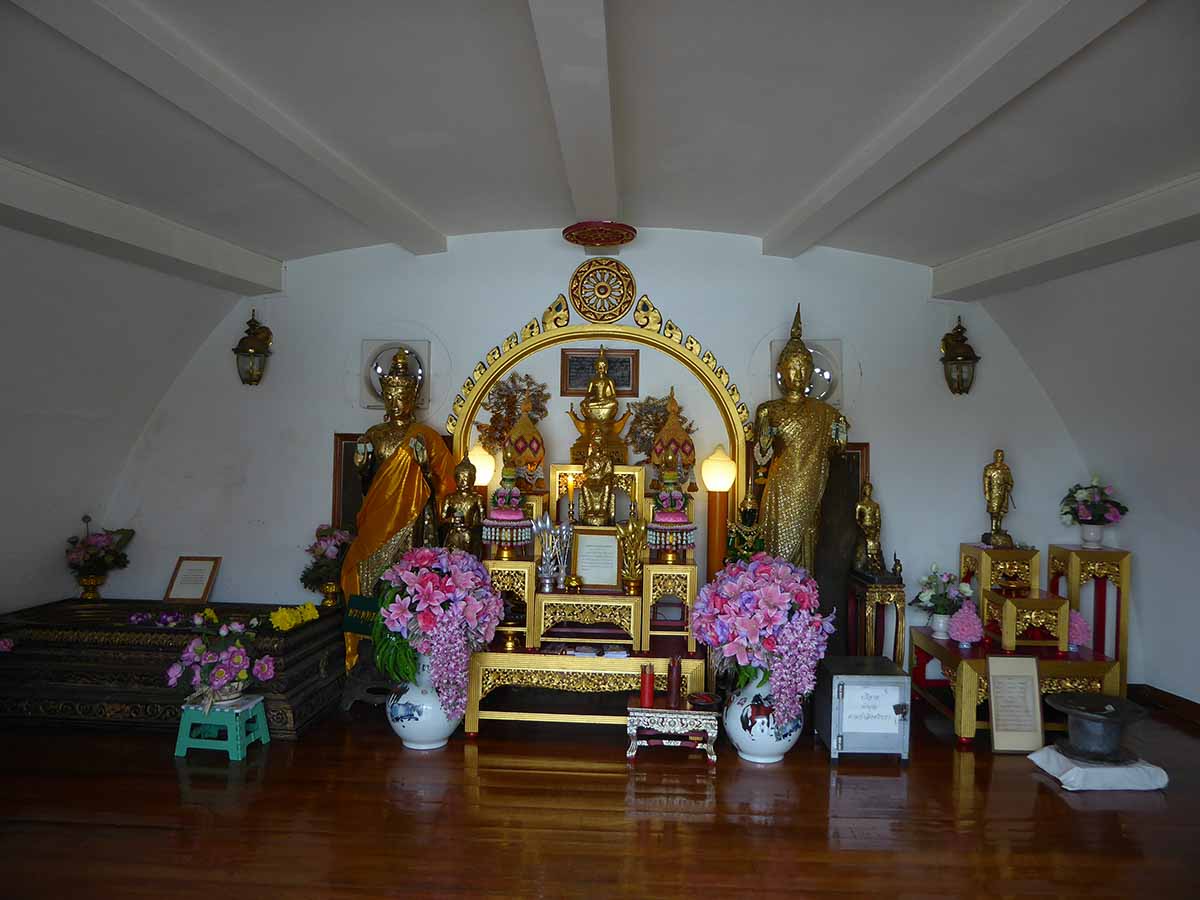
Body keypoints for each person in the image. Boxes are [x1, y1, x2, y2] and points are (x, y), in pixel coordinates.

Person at [339, 349, 456, 670]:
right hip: (379, 517)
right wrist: (362, 466)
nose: (396, 400)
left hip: (413, 516)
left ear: (413, 396)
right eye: (390, 394)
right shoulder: (374, 435)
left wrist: (422, 464)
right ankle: (367, 644)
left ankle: (410, 640)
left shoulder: (426, 436)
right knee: (366, 575)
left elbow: (446, 483)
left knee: (408, 577)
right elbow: (369, 484)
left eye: (402, 394)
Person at [753, 306, 848, 570]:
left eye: (803, 368)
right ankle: (773, 600)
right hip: (780, 489)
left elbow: (839, 447)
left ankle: (803, 600)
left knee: (808, 543)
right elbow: (761, 454)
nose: (798, 374)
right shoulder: (769, 410)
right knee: (775, 551)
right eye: (792, 368)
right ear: (781, 372)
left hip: (810, 487)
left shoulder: (826, 412)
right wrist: (764, 438)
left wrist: (840, 435)